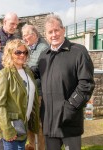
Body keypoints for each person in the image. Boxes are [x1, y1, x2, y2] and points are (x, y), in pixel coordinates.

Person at [37, 14, 95, 150]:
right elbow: (37, 79)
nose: (54, 34)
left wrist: (69, 108)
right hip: (49, 122)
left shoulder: (78, 52)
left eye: (56, 30)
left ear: (63, 30)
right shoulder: (43, 56)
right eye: (50, 32)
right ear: (46, 35)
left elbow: (86, 84)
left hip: (69, 120)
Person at [0, 39, 39, 150]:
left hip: (24, 125)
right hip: (12, 127)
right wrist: (7, 129)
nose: (22, 55)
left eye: (25, 52)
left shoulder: (28, 72)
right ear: (9, 53)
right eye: (18, 52)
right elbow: (0, 105)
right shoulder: (4, 74)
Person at [22, 24, 49, 150]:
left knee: (39, 124)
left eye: (26, 35)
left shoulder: (43, 48)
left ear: (34, 34)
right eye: (23, 35)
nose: (24, 38)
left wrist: (26, 70)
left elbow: (40, 69)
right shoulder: (29, 47)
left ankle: (41, 148)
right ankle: (31, 146)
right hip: (29, 91)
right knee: (29, 122)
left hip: (39, 93)